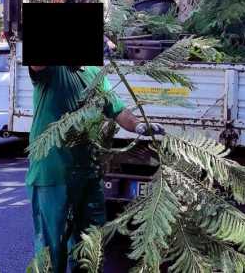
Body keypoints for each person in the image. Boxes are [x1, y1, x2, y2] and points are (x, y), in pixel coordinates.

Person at [27, 65, 164, 272]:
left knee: (90, 247)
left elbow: (117, 110)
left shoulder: (95, 73)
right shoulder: (53, 70)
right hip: (52, 174)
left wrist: (138, 125)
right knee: (52, 250)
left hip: (89, 173)